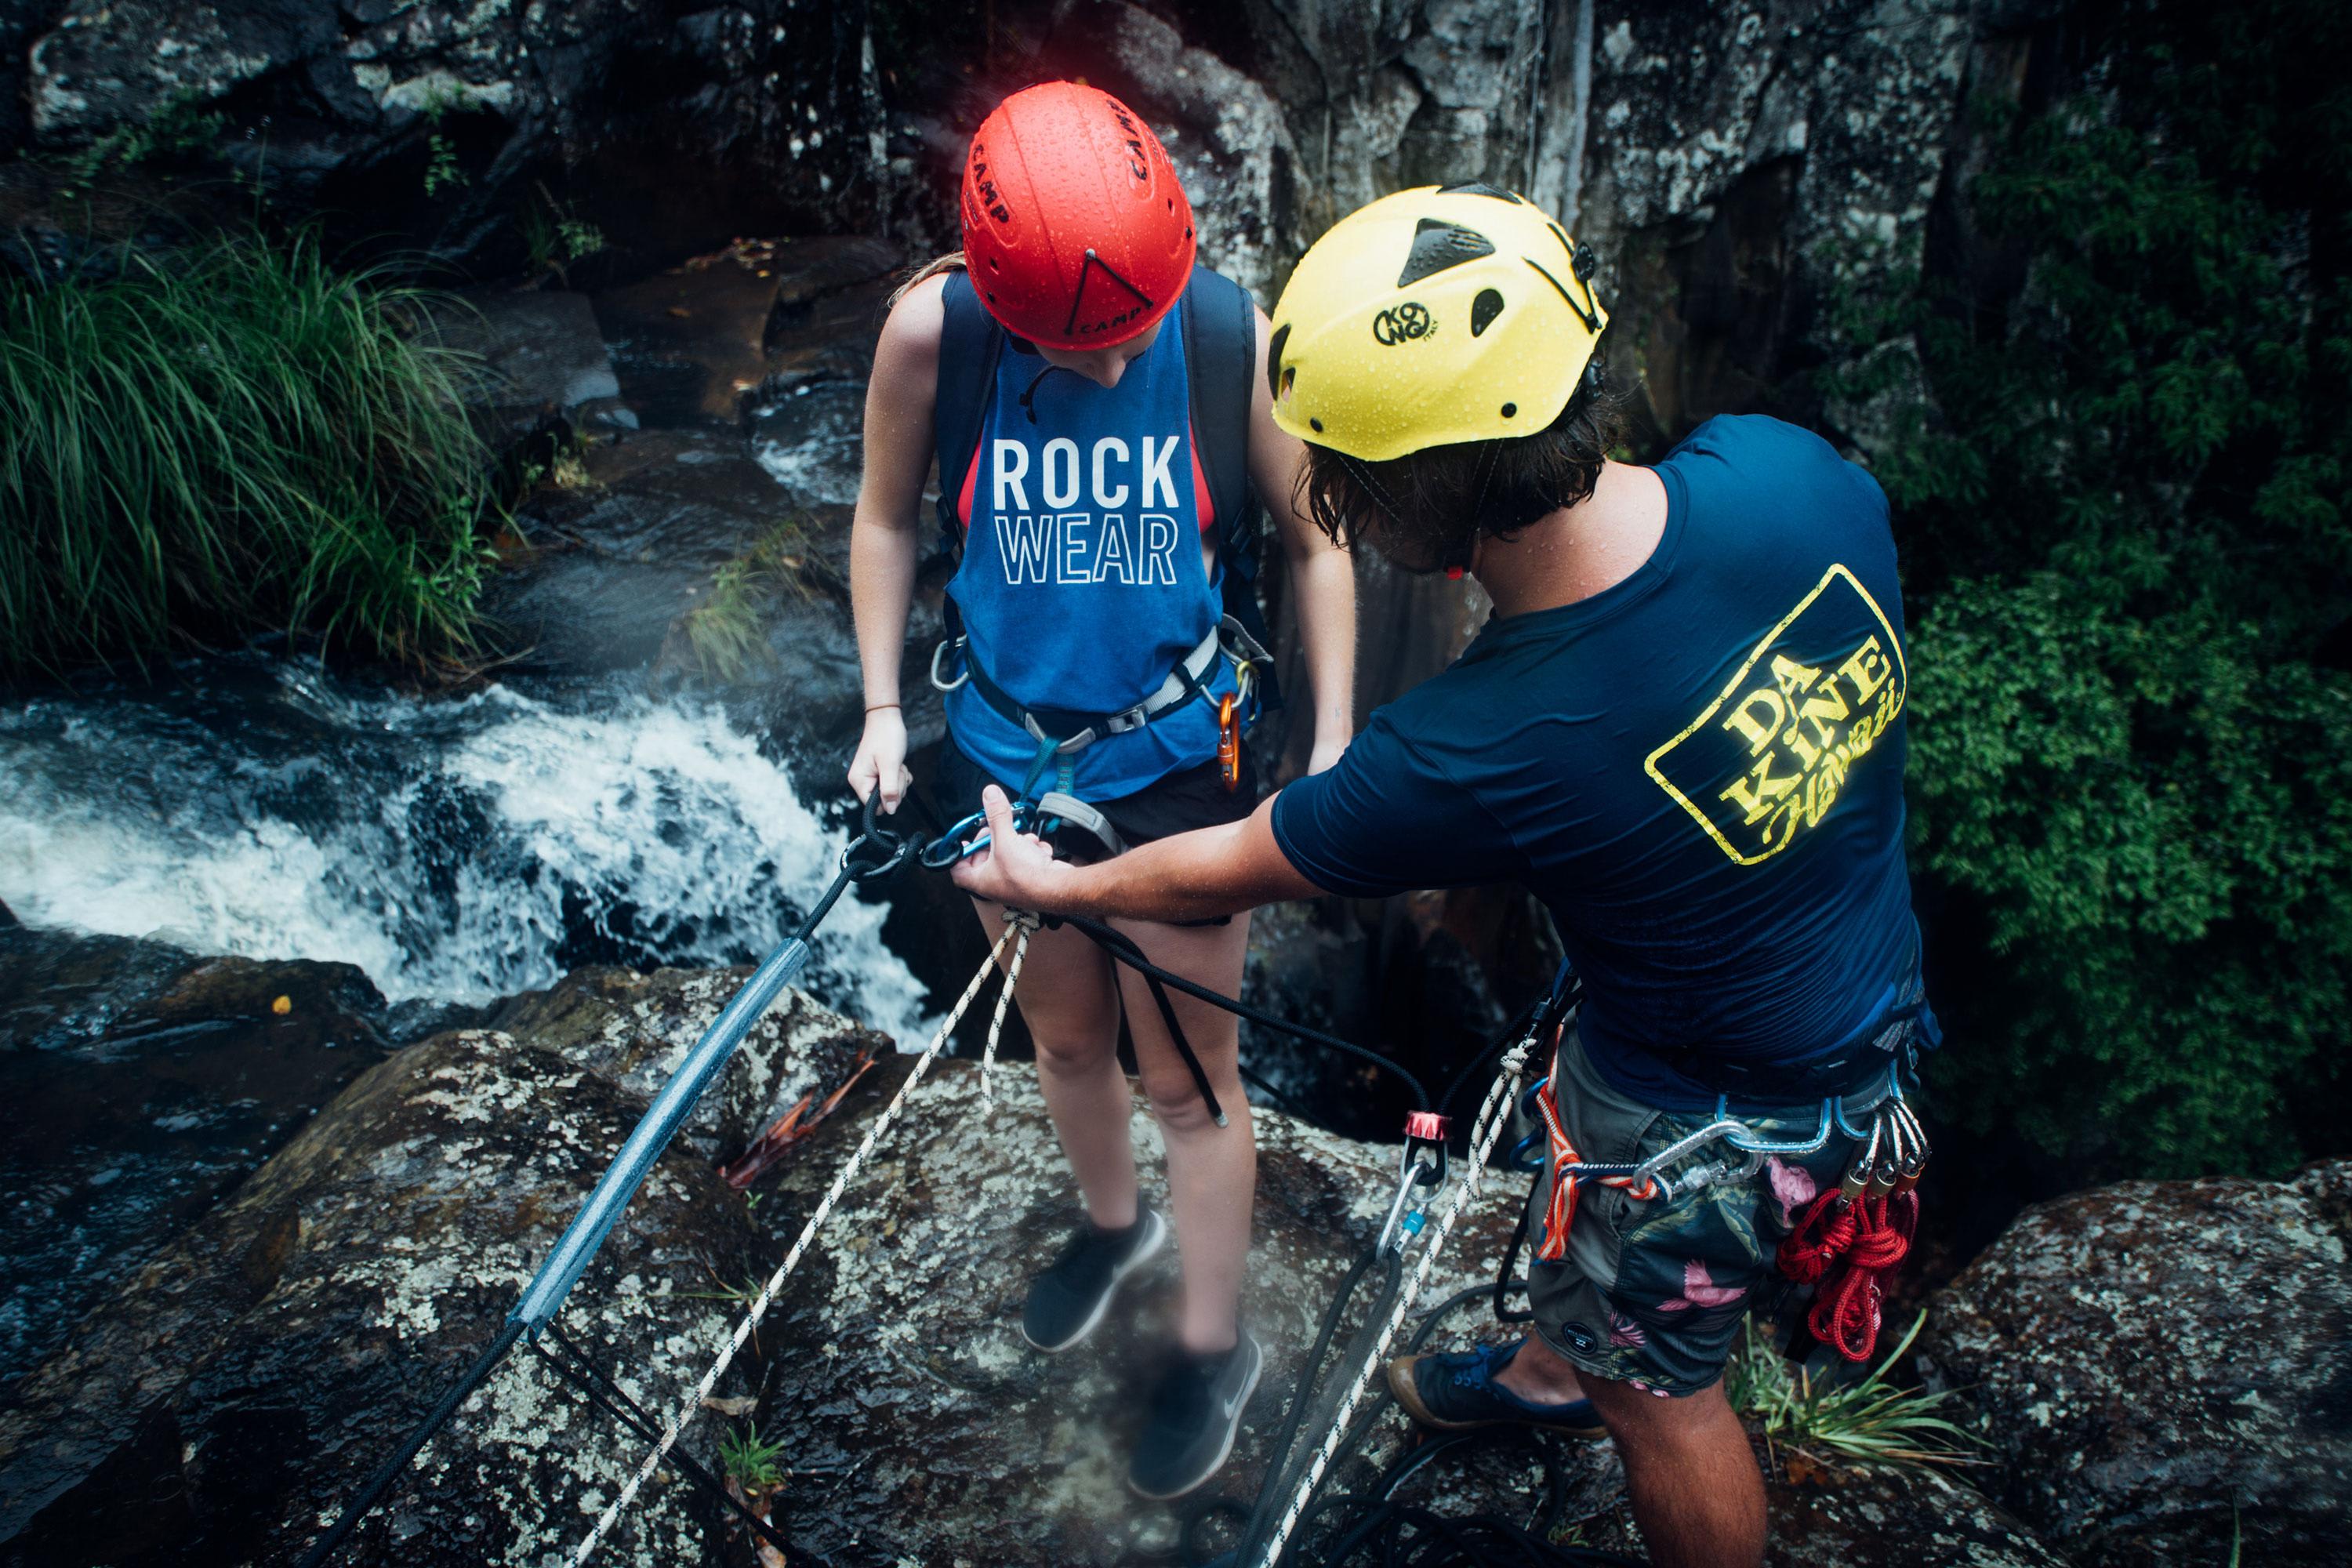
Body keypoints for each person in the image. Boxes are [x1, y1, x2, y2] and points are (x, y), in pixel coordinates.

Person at [952, 183, 1940, 1567]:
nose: (1329, 507)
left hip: (1703, 1122)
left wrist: (1054, 893)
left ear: (1409, 506)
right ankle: (1548, 1373)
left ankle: (1595, 1382)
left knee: (1663, 1398)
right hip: (1866, 1003)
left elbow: (1224, 864)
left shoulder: (1480, 745)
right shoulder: (1799, 475)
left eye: (1340, 476)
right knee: (1583, 1219)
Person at [845, 82, 1357, 1500]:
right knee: (1067, 1042)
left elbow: (1318, 543)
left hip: (1182, 765)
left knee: (1189, 1080)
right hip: (1008, 756)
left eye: (1141, 312)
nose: (1133, 338)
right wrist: (886, 710)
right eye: (1101, 331)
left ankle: (1211, 1346)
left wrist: (1331, 751)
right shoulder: (932, 337)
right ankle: (1112, 1221)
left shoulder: (1217, 329)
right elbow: (889, 516)